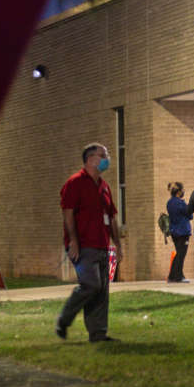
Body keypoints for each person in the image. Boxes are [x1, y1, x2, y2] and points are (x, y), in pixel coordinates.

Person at [57, 143, 123, 342]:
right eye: (103, 155)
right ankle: (64, 319)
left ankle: (98, 333)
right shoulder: (75, 183)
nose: (107, 159)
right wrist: (74, 242)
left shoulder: (104, 186)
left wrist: (117, 244)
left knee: (102, 290)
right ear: (90, 159)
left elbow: (111, 217)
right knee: (91, 285)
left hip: (102, 244)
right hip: (83, 245)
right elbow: (68, 213)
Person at [165, 182, 192, 283]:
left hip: (174, 231)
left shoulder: (169, 202)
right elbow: (189, 214)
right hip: (183, 231)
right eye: (182, 190)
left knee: (178, 253)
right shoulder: (180, 203)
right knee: (181, 254)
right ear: (179, 192)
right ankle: (178, 276)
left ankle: (173, 275)